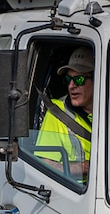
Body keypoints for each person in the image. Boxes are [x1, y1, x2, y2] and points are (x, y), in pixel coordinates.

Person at [35, 46, 94, 179]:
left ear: (98, 79)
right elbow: (44, 164)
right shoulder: (57, 113)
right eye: (68, 79)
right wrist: (84, 168)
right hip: (78, 193)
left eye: (79, 79)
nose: (72, 86)